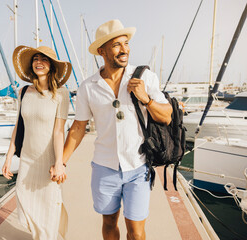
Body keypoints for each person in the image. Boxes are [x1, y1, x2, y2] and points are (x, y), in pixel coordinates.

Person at [57, 19, 172, 240]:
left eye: (126, 43)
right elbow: (78, 127)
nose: (124, 49)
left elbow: (166, 116)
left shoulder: (144, 77)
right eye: (117, 45)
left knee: (136, 233)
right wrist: (61, 162)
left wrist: (146, 99)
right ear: (102, 51)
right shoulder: (88, 87)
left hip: (138, 166)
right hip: (104, 167)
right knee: (109, 223)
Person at [2, 45, 72, 240]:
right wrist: (8, 157)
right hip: (27, 159)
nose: (39, 62)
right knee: (26, 203)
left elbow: (59, 132)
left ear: (52, 66)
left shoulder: (61, 94)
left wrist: (59, 163)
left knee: (48, 206)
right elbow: (18, 125)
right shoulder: (24, 91)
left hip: (47, 159)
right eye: (35, 59)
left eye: (44, 59)